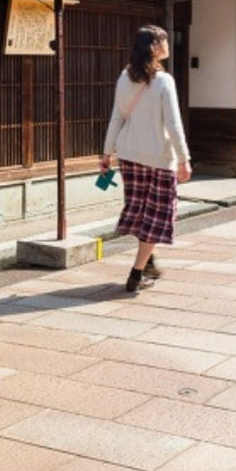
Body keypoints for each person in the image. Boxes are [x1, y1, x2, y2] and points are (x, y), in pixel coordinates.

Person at [100, 25, 192, 293]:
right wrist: (184, 158)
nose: (167, 44)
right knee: (157, 215)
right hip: (159, 158)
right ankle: (136, 273)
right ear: (153, 47)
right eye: (163, 40)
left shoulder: (125, 77)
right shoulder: (165, 81)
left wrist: (107, 153)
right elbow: (173, 124)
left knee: (140, 210)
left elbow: (117, 116)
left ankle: (148, 260)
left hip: (128, 155)